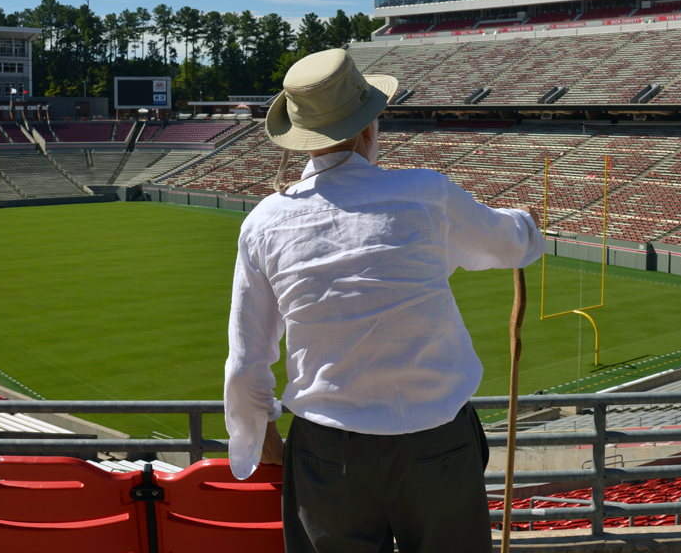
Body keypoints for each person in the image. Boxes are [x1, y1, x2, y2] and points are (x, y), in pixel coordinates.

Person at [224, 48, 546, 553]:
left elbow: (245, 366)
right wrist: (525, 221)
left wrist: (259, 440)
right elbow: (511, 243)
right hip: (438, 441)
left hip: (328, 454)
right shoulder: (424, 194)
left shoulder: (263, 223)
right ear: (370, 126)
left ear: (302, 139)